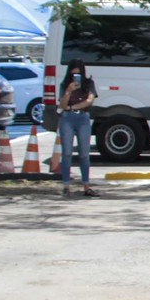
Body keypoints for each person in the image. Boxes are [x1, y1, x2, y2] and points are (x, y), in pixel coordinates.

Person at [58, 61, 98, 198]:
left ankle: (86, 186)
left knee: (84, 154)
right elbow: (62, 105)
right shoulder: (64, 85)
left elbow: (90, 100)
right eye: (73, 73)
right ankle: (66, 186)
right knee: (67, 152)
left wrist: (73, 107)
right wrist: (69, 91)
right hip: (67, 118)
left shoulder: (89, 83)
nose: (76, 76)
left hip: (83, 118)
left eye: (79, 73)